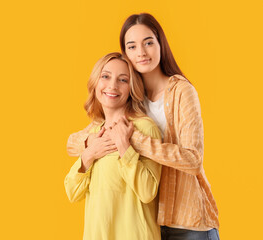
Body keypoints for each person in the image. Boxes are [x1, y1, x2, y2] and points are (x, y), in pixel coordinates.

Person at [67, 13, 220, 240]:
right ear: (125, 54)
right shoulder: (130, 99)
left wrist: (135, 141)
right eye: (132, 46)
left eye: (148, 42)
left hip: (186, 221)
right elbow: (73, 142)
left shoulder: (181, 91)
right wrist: (93, 144)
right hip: (151, 220)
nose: (141, 52)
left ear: (161, 44)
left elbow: (194, 160)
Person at [64, 52, 162, 240]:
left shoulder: (144, 128)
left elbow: (148, 191)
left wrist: (125, 147)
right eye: (105, 76)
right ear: (95, 82)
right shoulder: (94, 133)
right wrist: (88, 155)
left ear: (132, 88)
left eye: (123, 80)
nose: (112, 86)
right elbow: (72, 193)